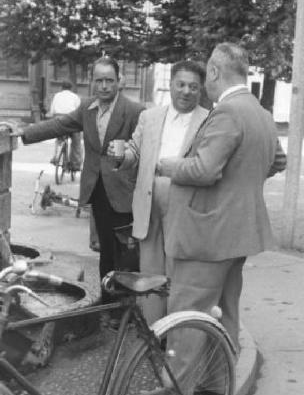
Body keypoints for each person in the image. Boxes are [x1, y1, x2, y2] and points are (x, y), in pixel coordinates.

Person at [155, 42, 287, 381]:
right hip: (238, 234)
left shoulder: (228, 112)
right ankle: (218, 384)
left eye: (207, 75)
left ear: (214, 72)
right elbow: (278, 161)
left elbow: (204, 170)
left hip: (207, 235)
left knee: (186, 315)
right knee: (225, 312)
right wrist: (239, 186)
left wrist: (166, 165)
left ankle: (176, 394)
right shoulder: (260, 112)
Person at [15, 56, 145, 293]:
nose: (104, 86)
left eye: (109, 80)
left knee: (126, 253)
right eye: (99, 80)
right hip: (98, 190)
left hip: (125, 193)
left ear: (119, 81)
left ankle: (125, 309)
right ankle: (108, 304)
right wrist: (22, 133)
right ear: (92, 82)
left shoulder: (135, 111)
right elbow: (59, 125)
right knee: (106, 250)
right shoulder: (87, 108)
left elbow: (144, 151)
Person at [108, 60, 209, 323]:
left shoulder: (209, 120)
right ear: (171, 84)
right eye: (181, 85)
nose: (186, 91)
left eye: (193, 87)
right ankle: (152, 331)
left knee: (180, 270)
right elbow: (135, 152)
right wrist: (121, 156)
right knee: (150, 271)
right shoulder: (150, 116)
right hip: (149, 201)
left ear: (201, 90)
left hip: (185, 203)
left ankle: (176, 332)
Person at [48, 80, 81, 171]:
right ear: (71, 88)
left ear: (61, 88)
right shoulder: (75, 97)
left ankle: (56, 157)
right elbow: (79, 111)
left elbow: (52, 111)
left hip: (59, 120)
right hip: (71, 119)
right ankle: (76, 164)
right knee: (76, 141)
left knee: (59, 139)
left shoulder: (57, 96)